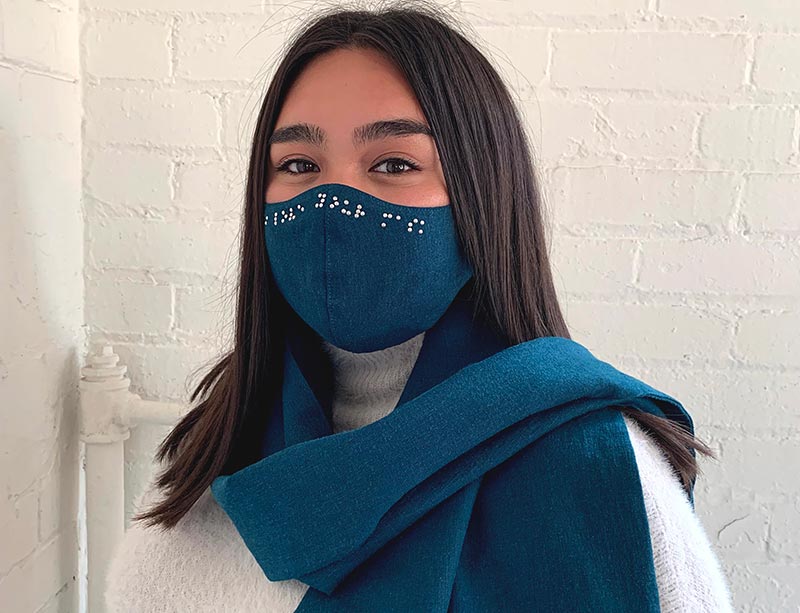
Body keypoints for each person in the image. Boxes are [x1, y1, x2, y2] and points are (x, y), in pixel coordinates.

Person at [104, 3, 735, 611]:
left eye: (393, 163)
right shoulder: (220, 441)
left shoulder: (599, 463)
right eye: (299, 164)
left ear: (480, 196)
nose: (334, 201)